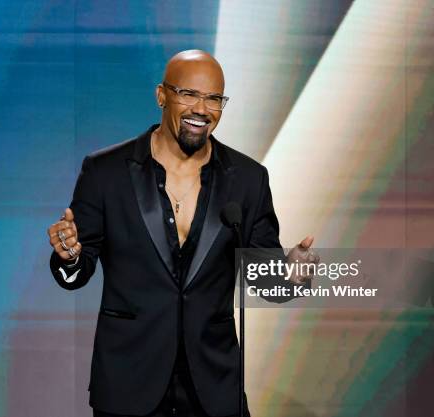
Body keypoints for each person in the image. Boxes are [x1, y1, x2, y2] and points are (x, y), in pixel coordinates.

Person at [47, 50, 317, 417]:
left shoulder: (249, 179)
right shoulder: (104, 172)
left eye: (213, 98)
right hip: (129, 381)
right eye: (188, 94)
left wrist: (292, 275)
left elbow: (267, 281)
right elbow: (77, 272)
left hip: (214, 385)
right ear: (162, 95)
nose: (202, 109)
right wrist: (70, 256)